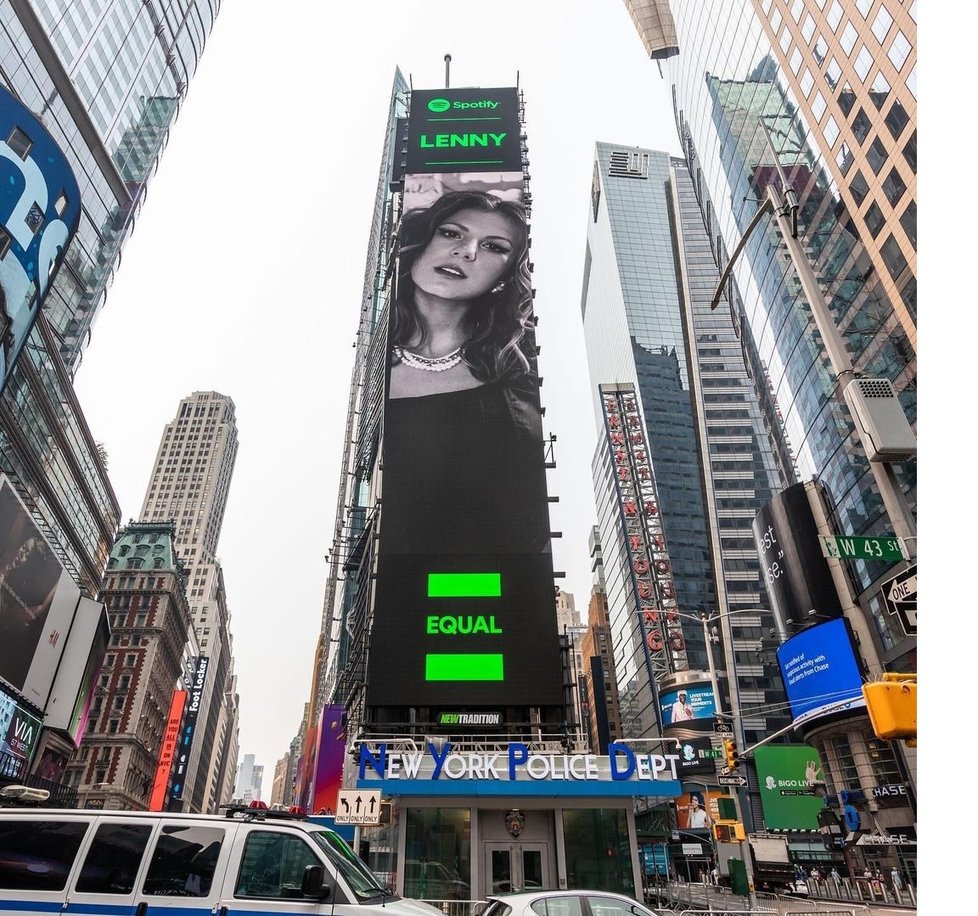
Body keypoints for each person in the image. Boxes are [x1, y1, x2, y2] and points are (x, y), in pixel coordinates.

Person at [382, 189, 548, 555]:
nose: (467, 252)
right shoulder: (373, 364)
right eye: (452, 233)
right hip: (398, 580)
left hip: (488, 578)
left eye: (493, 247)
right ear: (423, 241)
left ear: (504, 278)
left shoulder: (515, 385)